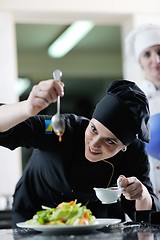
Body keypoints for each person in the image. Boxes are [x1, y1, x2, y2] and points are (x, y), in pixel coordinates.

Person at [0, 79, 160, 227]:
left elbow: (145, 217)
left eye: (110, 141)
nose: (94, 144)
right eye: (93, 129)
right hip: (34, 216)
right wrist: (27, 108)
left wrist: (141, 194)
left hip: (93, 222)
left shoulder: (134, 153)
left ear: (124, 147)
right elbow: (8, 130)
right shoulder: (60, 128)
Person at [125, 23, 160, 199]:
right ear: (140, 61)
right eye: (147, 54)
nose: (157, 60)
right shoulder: (132, 98)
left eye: (159, 51)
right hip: (145, 185)